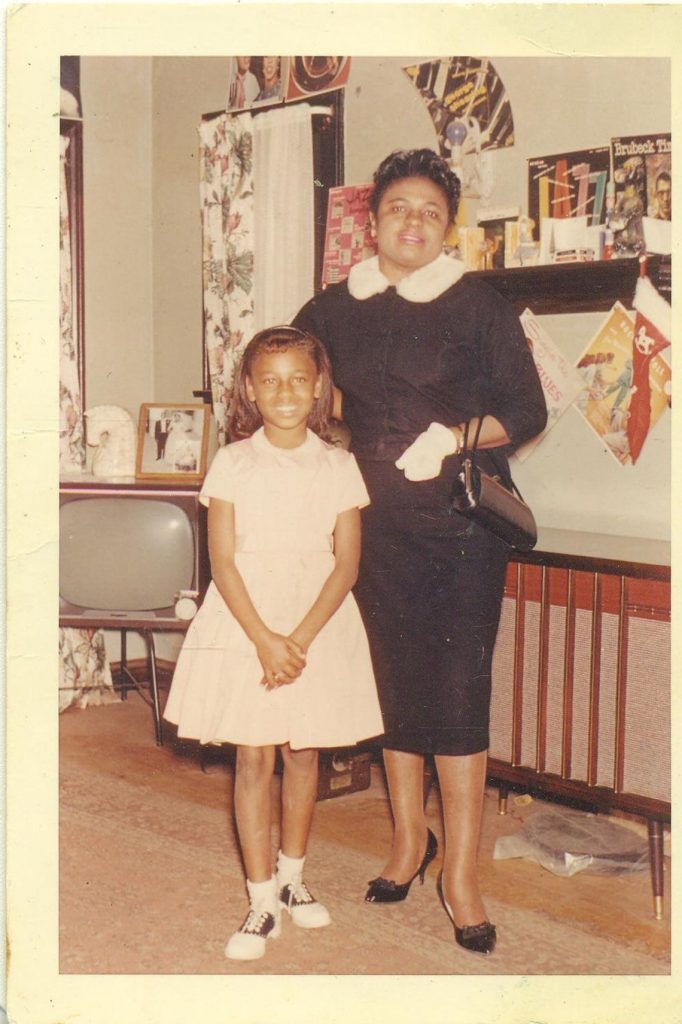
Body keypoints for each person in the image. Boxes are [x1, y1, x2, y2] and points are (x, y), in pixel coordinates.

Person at [293, 149, 546, 957]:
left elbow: (527, 410)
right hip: (371, 530)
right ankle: (409, 844)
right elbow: (296, 393)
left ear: (448, 227)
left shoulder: (480, 307)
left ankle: (460, 873)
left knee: (457, 699)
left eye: (430, 213)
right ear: (373, 221)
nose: (412, 222)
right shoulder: (333, 308)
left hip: (462, 529)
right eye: (399, 207)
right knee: (393, 693)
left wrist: (452, 437)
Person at [163, 326, 383, 962]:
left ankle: (293, 879)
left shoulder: (339, 465)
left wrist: (301, 641)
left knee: (304, 753)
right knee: (254, 757)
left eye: (297, 379)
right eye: (270, 380)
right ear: (250, 391)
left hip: (317, 623)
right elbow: (223, 563)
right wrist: (264, 640)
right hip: (245, 622)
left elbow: (345, 565)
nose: (284, 391)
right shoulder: (233, 462)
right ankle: (260, 899)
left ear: (318, 388)